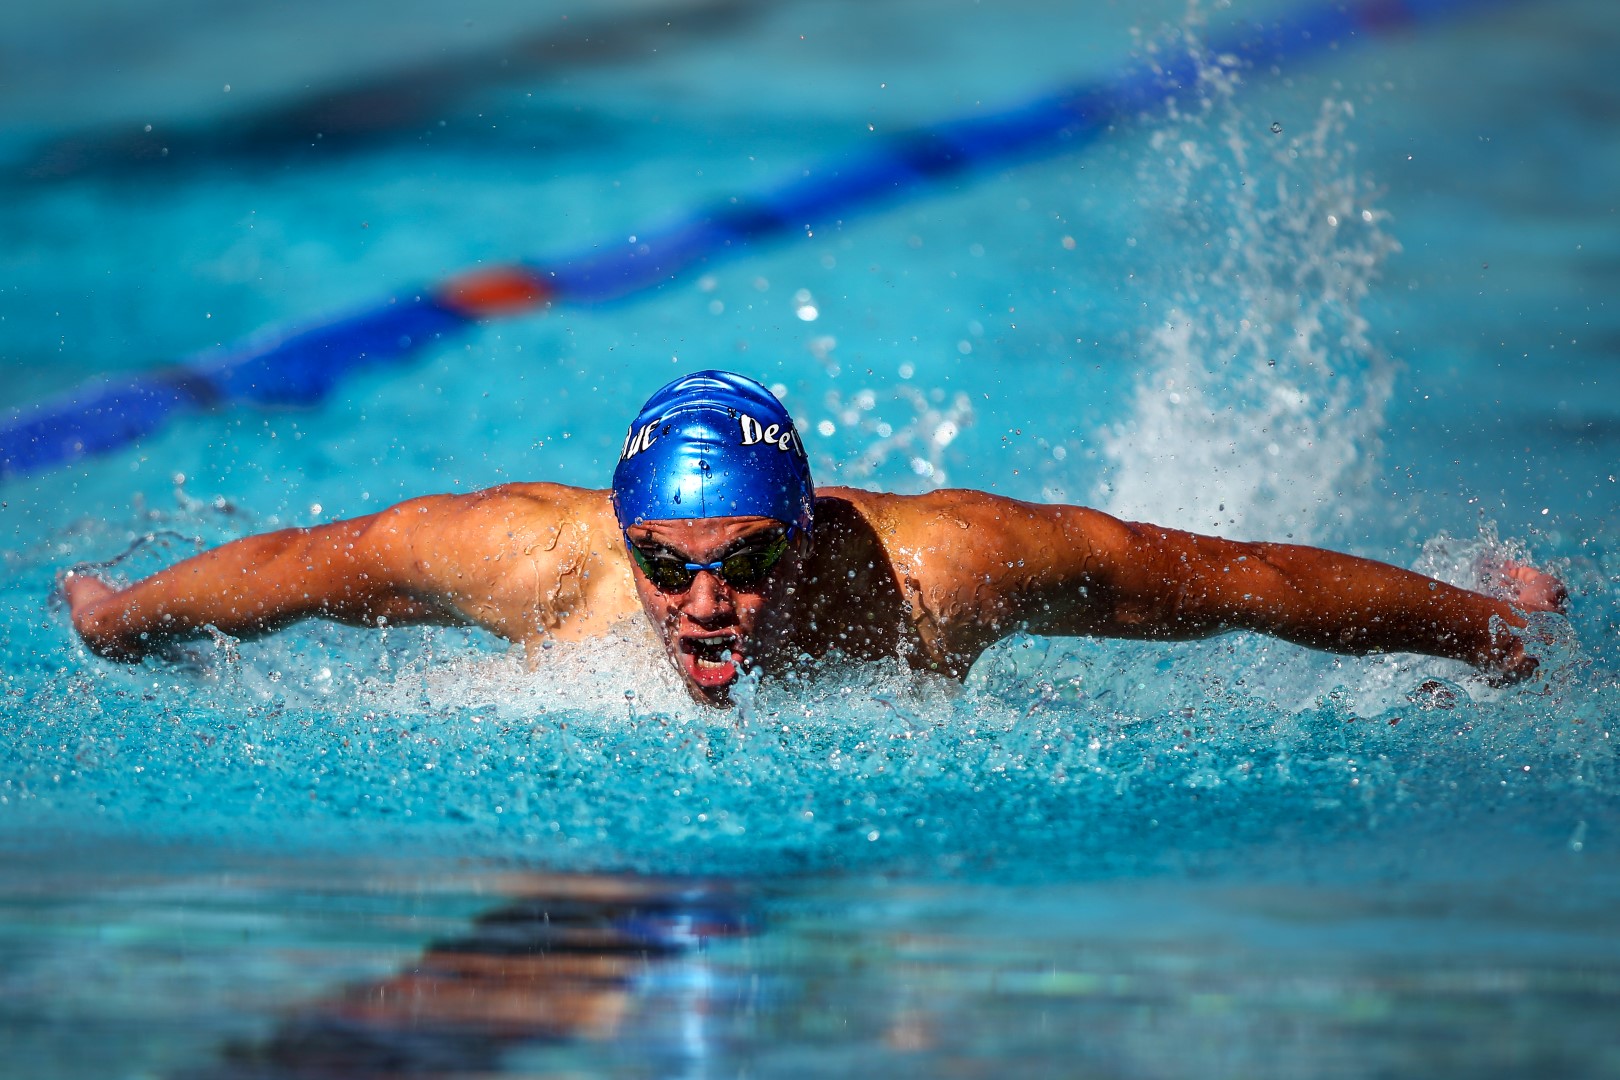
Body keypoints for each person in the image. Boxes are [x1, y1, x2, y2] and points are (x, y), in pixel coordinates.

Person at [65, 370, 1567, 707]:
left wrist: (1483, 629)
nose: (706, 603)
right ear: (623, 540)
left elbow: (1238, 582)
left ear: (806, 534)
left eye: (749, 561)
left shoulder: (943, 569)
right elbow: (303, 570)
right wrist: (122, 620)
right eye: (669, 564)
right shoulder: (531, 558)